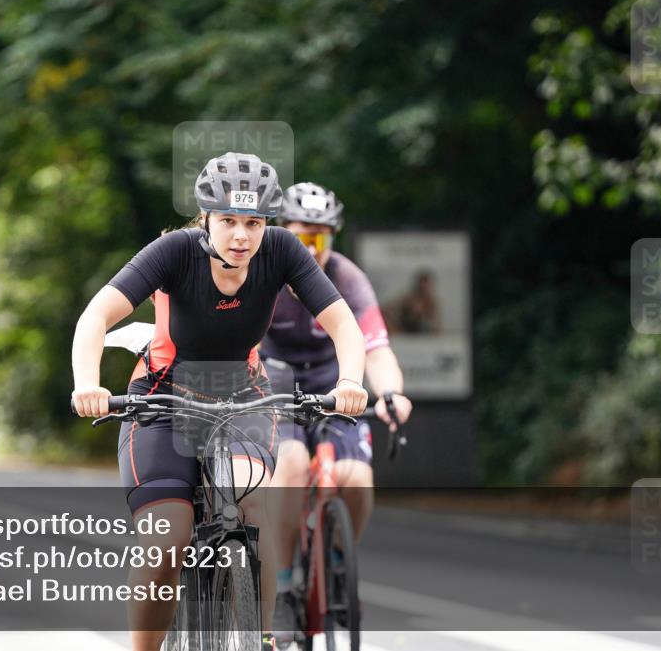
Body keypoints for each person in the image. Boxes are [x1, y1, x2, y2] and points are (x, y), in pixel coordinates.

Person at [71, 152, 370, 651]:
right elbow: (94, 318)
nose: (240, 236)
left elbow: (343, 324)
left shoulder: (281, 250)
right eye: (229, 221)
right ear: (206, 217)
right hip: (163, 401)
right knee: (167, 538)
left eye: (253, 223)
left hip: (241, 396)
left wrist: (351, 380)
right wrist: (88, 383)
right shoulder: (174, 252)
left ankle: (264, 638)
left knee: (253, 506)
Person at [260, 182, 413, 644]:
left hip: (334, 380)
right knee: (288, 466)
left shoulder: (347, 279)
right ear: (282, 234)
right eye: (301, 239)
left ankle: (340, 562)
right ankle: (284, 588)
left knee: (354, 477)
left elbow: (377, 347)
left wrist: (391, 394)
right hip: (275, 378)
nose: (310, 250)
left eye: (320, 240)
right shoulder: (262, 275)